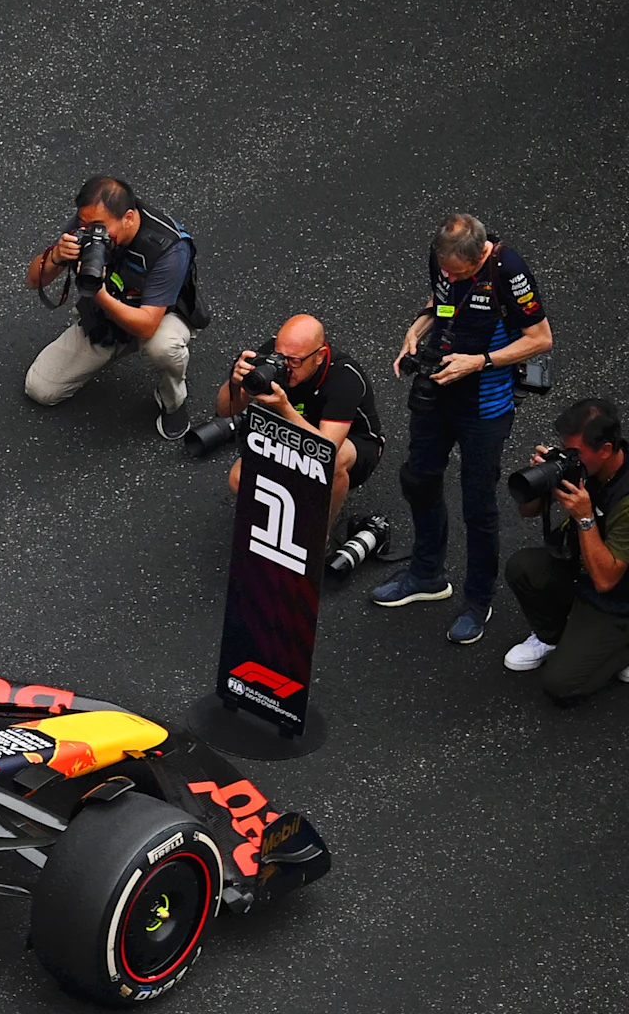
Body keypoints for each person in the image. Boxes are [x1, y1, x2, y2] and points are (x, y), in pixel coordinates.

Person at [371, 214, 554, 645]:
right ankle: (427, 573)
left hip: (484, 406)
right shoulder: (445, 261)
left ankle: (478, 599)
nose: (449, 275)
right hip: (439, 390)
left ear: (480, 256)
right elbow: (444, 304)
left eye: (459, 271)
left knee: (478, 502)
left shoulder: (511, 272)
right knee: (418, 478)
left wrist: (481, 361)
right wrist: (414, 332)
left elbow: (541, 338)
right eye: (445, 269)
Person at [22, 175, 201, 436]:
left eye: (98, 227)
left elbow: (147, 326)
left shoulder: (170, 248)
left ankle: (173, 400)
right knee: (40, 389)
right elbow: (32, 280)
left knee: (163, 346)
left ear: (128, 218)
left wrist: (99, 294)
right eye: (84, 223)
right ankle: (110, 343)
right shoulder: (87, 221)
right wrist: (56, 257)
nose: (92, 233)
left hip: (160, 316)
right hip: (106, 313)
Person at [497, 399, 629, 703]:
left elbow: (606, 581)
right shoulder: (589, 466)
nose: (571, 458)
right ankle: (553, 638)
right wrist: (543, 479)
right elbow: (528, 511)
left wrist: (584, 517)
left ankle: (621, 648)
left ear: (606, 449)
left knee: (561, 684)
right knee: (523, 567)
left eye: (576, 453)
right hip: (582, 571)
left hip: (618, 596)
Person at [216, 314, 371, 532]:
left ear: (319, 356)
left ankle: (317, 535)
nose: (284, 367)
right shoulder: (272, 356)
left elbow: (327, 449)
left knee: (332, 466)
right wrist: (234, 383)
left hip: (348, 441)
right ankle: (278, 523)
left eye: (294, 361)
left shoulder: (345, 379)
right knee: (239, 479)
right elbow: (226, 411)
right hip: (289, 428)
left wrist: (284, 408)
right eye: (280, 356)